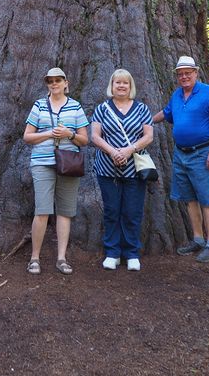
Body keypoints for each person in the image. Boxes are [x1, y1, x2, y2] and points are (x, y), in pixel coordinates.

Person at [152, 56, 209, 263]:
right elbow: (166, 114)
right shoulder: (177, 95)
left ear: (196, 72)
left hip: (203, 153)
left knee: (207, 199)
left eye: (188, 72)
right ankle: (198, 239)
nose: (184, 76)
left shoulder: (208, 92)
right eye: (180, 74)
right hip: (181, 154)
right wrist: (146, 121)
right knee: (190, 199)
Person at [23, 68, 89, 275]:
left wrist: (69, 134)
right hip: (42, 162)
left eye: (58, 80)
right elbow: (27, 137)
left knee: (65, 211)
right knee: (42, 210)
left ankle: (61, 258)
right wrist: (49, 134)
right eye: (50, 81)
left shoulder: (76, 106)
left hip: (69, 163)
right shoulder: (39, 105)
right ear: (47, 84)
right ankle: (34, 258)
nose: (54, 84)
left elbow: (85, 140)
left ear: (65, 83)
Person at [90, 68, 154, 272]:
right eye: (117, 82)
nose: (121, 86)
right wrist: (112, 152)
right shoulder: (102, 109)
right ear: (112, 85)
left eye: (125, 83)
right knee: (111, 211)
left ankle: (132, 253)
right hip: (107, 168)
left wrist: (128, 150)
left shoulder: (142, 108)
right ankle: (112, 252)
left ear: (130, 86)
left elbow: (148, 136)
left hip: (135, 168)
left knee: (132, 212)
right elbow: (95, 136)